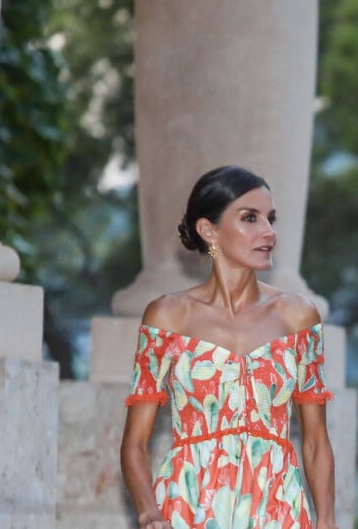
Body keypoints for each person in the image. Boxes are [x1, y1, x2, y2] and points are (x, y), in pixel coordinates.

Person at [120, 165, 337, 529]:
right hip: (188, 508)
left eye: (270, 219)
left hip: (277, 508)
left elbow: (315, 441)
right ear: (208, 230)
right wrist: (149, 512)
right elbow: (134, 445)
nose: (268, 232)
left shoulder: (298, 316)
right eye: (250, 218)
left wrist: (328, 522)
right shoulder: (167, 316)